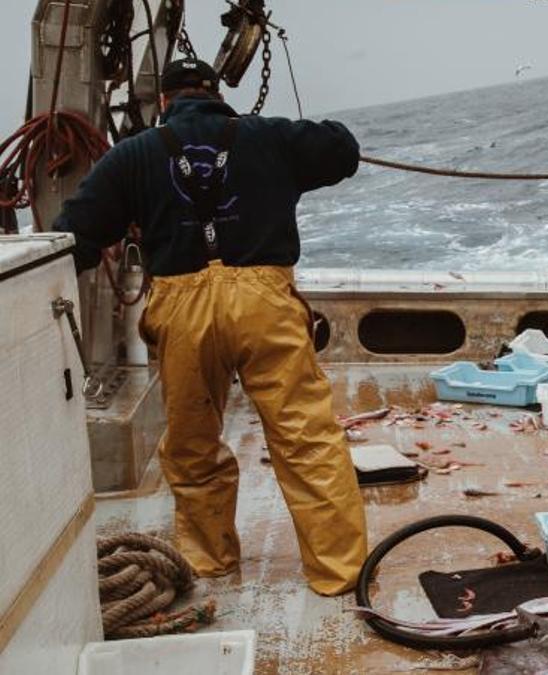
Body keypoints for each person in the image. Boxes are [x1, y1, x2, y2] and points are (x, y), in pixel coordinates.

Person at [53, 58, 367, 596]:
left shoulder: (131, 157)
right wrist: (278, 148)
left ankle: (210, 560)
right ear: (216, 94)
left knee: (192, 445)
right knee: (307, 438)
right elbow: (343, 149)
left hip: (183, 309)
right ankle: (340, 572)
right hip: (265, 304)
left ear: (165, 103)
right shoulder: (268, 137)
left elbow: (74, 234)